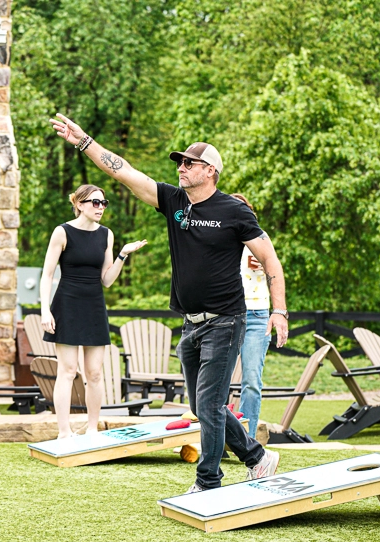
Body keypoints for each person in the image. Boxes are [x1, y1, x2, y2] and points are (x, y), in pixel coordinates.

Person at [50, 113, 289, 492]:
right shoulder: (174, 201)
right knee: (202, 405)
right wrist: (84, 142)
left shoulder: (234, 211)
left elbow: (271, 260)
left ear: (210, 170)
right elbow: (124, 172)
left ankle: (208, 482)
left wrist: (278, 311)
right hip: (191, 323)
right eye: (179, 162)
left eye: (189, 163)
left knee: (209, 405)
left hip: (226, 321)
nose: (181, 168)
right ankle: (257, 457)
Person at [40, 184, 147, 439]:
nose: (100, 207)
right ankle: (64, 432)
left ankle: (91, 429)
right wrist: (45, 310)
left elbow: (107, 280)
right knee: (66, 371)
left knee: (95, 373)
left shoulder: (106, 235)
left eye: (103, 203)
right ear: (79, 204)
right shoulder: (62, 232)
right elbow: (47, 275)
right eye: (95, 202)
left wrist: (122, 254)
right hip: (66, 304)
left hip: (94, 305)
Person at [231, 193, 272, 438]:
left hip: (257, 314)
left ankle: (247, 439)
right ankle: (221, 436)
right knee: (218, 384)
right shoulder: (221, 236)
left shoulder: (261, 237)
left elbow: (275, 268)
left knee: (252, 382)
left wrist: (265, 265)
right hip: (228, 312)